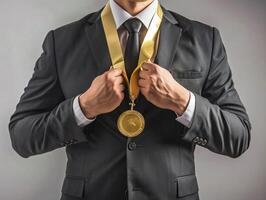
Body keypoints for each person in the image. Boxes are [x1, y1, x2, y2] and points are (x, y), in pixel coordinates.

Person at [8, 0, 251, 199]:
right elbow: (22, 136)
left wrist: (182, 101)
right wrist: (83, 108)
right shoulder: (61, 42)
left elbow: (238, 137)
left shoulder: (205, 40)